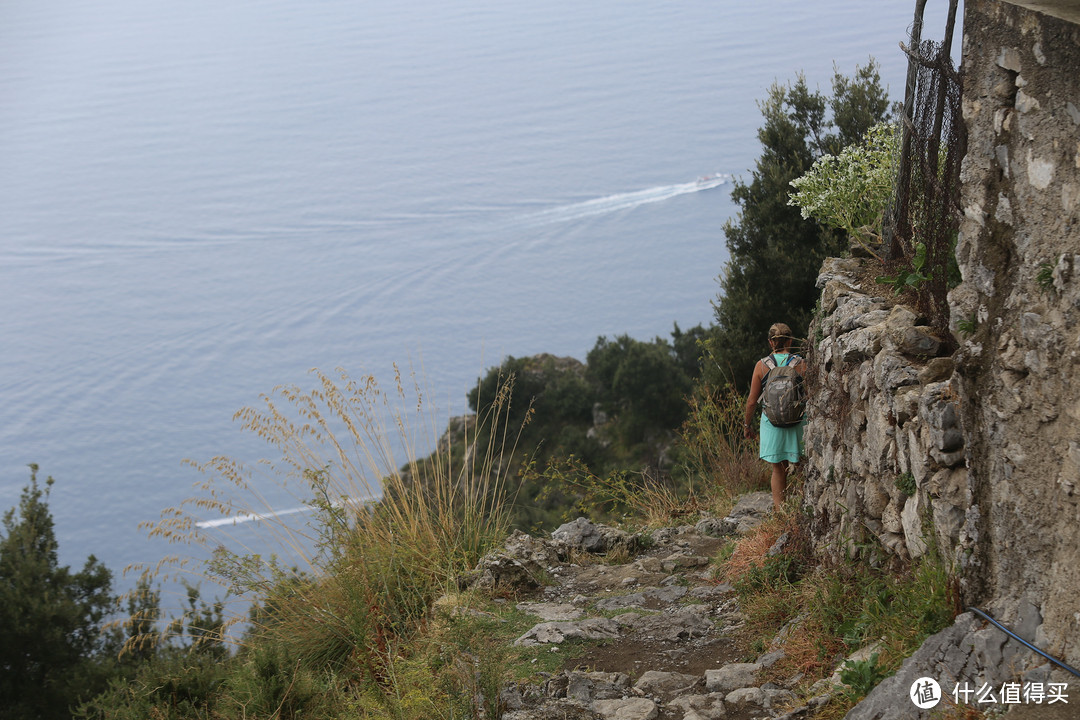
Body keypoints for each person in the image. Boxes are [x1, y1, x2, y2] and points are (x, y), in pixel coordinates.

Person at [743, 323, 806, 510]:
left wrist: (747, 425)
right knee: (802, 465)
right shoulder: (801, 363)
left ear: (771, 343)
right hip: (798, 421)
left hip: (771, 423)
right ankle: (806, 508)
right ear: (790, 340)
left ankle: (780, 512)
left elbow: (752, 401)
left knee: (778, 468)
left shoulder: (761, 366)